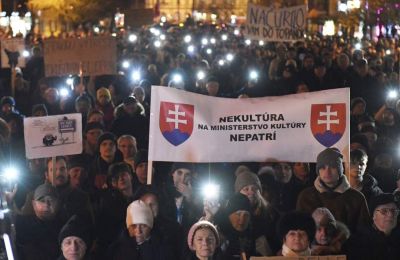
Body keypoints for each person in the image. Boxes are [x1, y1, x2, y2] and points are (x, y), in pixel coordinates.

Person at [296, 148, 370, 233]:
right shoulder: (306, 196)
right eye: (323, 167)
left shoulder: (356, 198)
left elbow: (364, 232)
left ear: (340, 169)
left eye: (333, 166)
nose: (327, 172)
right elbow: (301, 228)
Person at [107, 200, 176, 259]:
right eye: (133, 226)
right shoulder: (116, 250)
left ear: (150, 226)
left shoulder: (163, 250)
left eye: (143, 226)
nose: (138, 231)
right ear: (128, 226)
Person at [15, 183, 65, 260]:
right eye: (42, 200)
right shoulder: (22, 224)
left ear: (58, 203)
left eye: (51, 200)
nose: (46, 204)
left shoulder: (66, 227)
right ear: (34, 204)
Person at [344, 193, 400, 260]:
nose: (390, 215)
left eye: (393, 211)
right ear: (373, 215)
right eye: (384, 211)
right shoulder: (357, 242)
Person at [217, 193, 257, 259]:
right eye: (238, 214)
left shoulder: (255, 236)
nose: (242, 220)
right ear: (229, 215)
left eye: (246, 215)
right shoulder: (217, 236)